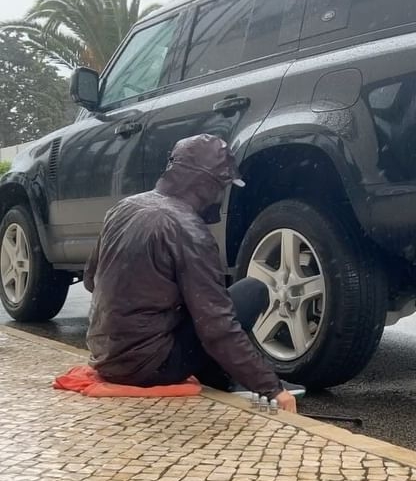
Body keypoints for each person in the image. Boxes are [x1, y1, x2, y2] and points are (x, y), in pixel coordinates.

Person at [83, 134, 303, 412]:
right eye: (223, 186)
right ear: (208, 184)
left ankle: (223, 374)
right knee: (251, 291)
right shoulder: (189, 230)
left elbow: (91, 280)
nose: (222, 196)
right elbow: (217, 326)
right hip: (150, 368)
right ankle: (232, 377)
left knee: (196, 305)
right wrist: (272, 388)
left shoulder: (123, 208)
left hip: (106, 357)